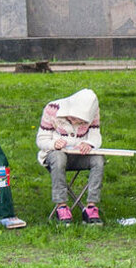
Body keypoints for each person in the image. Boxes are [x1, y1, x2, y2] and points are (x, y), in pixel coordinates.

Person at [36, 88, 105, 225]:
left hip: (80, 155)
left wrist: (89, 144)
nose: (75, 122)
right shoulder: (52, 109)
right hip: (54, 155)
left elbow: (95, 136)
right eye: (73, 118)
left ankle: (91, 207)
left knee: (99, 160)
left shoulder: (93, 112)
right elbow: (41, 140)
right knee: (58, 157)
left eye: (80, 120)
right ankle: (61, 207)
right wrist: (54, 144)